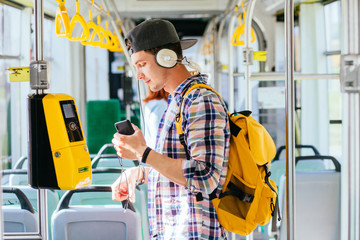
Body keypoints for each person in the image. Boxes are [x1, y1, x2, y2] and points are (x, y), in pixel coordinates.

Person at [111, 19, 230, 239]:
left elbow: (205, 177)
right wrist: (139, 172)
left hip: (193, 233)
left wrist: (143, 154)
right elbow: (177, 165)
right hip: (174, 230)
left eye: (142, 64)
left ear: (166, 58)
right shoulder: (178, 101)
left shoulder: (200, 101)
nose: (138, 75)